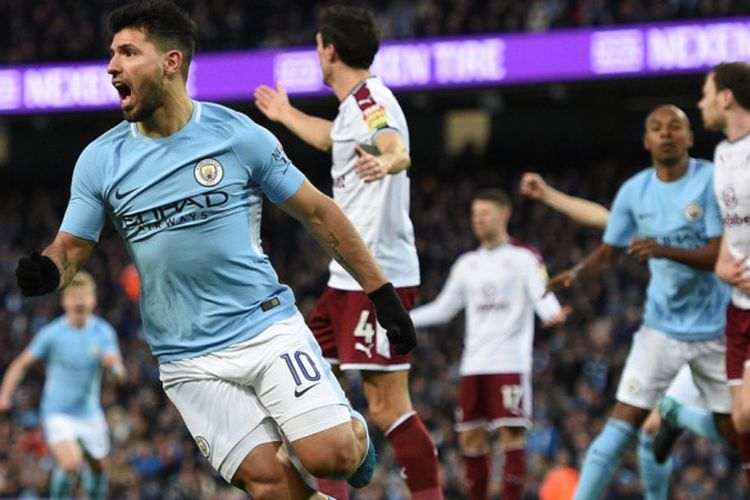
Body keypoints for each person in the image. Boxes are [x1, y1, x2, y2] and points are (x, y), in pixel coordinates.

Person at [13, 1, 418, 498]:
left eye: (127, 52)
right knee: (269, 486)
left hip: (265, 327)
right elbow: (70, 248)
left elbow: (318, 212)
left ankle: (350, 431)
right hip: (186, 358)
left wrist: (381, 294)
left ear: (170, 61)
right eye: (111, 53)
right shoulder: (100, 160)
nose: (111, 66)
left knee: (329, 455)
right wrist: (49, 271)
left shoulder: (236, 135)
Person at [254, 6, 442, 499]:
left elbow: (393, 143)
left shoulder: (373, 101)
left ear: (330, 50)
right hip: (345, 281)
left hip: (379, 276)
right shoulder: (352, 107)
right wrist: (285, 114)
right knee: (315, 392)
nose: (317, 54)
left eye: (318, 46)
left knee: (385, 407)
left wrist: (391, 161)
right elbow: (333, 138)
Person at [546, 104, 736, 499]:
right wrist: (578, 273)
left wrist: (664, 250)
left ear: (689, 137)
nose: (666, 133)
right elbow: (609, 250)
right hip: (660, 329)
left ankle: (680, 414)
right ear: (647, 140)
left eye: (675, 127)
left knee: (738, 434)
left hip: (716, 329)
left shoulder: (711, 180)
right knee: (624, 423)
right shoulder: (634, 191)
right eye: (656, 127)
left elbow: (718, 254)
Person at [409, 189, 569, 500]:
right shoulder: (467, 263)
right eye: (474, 214)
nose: (478, 219)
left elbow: (542, 293)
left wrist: (552, 313)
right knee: (470, 439)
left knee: (511, 435)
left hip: (509, 362)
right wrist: (405, 319)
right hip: (474, 364)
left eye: (485, 213)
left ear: (504, 214)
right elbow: (444, 308)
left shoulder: (524, 258)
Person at [0, 271, 125, 500]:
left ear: (93, 300)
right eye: (74, 295)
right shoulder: (52, 334)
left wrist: (114, 369)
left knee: (98, 469)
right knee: (70, 463)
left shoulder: (103, 332)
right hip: (57, 412)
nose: (79, 300)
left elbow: (119, 372)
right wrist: (4, 394)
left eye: (84, 295)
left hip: (89, 413)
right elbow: (21, 363)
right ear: (64, 301)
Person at [699, 60, 750, 483]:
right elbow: (731, 227)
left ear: (726, 97)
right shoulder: (722, 153)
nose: (700, 103)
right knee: (741, 418)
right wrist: (721, 264)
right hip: (738, 307)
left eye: (706, 93)